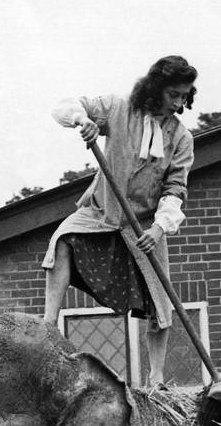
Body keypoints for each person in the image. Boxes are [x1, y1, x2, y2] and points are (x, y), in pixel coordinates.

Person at [42, 55, 197, 386]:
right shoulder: (118, 109)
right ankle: (49, 325)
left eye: (184, 96)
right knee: (62, 240)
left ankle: (156, 378)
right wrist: (82, 121)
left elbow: (175, 189)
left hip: (144, 226)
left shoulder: (181, 138)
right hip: (102, 211)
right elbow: (66, 106)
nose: (178, 103)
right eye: (173, 94)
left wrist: (159, 228)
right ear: (155, 88)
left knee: (160, 302)